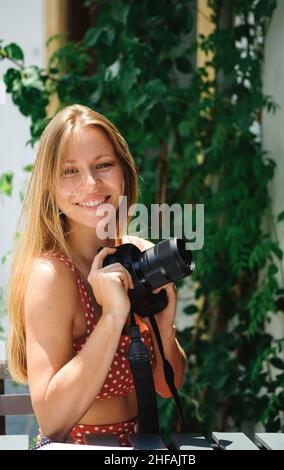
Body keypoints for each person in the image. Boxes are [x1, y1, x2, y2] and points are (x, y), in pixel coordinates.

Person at [7, 104, 187, 446]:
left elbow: (167, 387)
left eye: (103, 165)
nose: (90, 183)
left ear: (124, 173)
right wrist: (113, 316)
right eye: (69, 171)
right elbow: (53, 420)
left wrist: (163, 326)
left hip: (139, 446)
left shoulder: (135, 255)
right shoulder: (52, 276)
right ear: (50, 188)